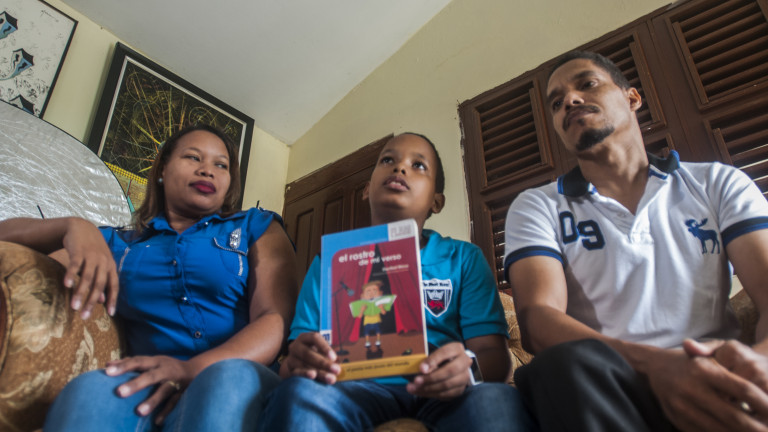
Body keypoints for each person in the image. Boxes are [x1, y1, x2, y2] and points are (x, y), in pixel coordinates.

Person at [504, 50, 768, 432]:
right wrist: (657, 366)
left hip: (714, 373)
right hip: (608, 385)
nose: (570, 101)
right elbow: (538, 321)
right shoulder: (537, 205)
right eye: (557, 103)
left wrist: (758, 363)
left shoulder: (717, 183)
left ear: (632, 98)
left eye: (587, 84)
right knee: (558, 366)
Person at [0, 124, 298, 431]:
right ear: (162, 169)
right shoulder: (117, 245)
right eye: (193, 157)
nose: (207, 170)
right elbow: (6, 243)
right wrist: (71, 226)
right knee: (91, 391)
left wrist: (191, 369)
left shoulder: (256, 226)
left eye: (220, 165)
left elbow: (274, 318)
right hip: (151, 385)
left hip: (242, 379)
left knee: (224, 379)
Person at [257, 133, 534, 431]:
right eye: (388, 160)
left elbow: (494, 357)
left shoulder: (463, 258)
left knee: (496, 401)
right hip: (350, 390)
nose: (400, 168)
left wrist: (469, 370)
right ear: (367, 189)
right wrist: (300, 364)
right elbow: (295, 362)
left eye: (418, 165)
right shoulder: (329, 262)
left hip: (447, 395)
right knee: (297, 396)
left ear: (436, 201)